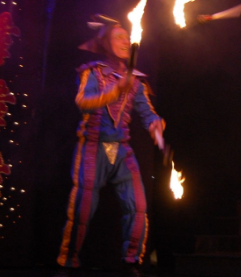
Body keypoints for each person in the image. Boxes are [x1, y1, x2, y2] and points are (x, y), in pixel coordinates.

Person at [57, 14, 165, 276]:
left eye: (127, 37)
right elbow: (83, 101)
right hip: (93, 146)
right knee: (82, 206)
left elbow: (146, 112)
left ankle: (132, 262)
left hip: (122, 148)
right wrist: (116, 89)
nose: (126, 41)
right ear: (105, 43)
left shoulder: (137, 81)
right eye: (118, 37)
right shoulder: (92, 72)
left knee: (138, 206)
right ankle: (68, 261)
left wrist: (156, 124)